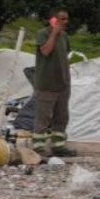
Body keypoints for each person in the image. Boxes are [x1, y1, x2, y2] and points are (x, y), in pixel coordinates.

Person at [32, 8, 73, 157]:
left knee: (61, 118)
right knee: (43, 118)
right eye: (62, 19)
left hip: (62, 84)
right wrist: (54, 33)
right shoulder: (43, 34)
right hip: (47, 84)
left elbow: (64, 56)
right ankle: (38, 148)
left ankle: (58, 146)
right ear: (53, 20)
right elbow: (46, 51)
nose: (65, 22)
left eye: (66, 19)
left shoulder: (65, 36)